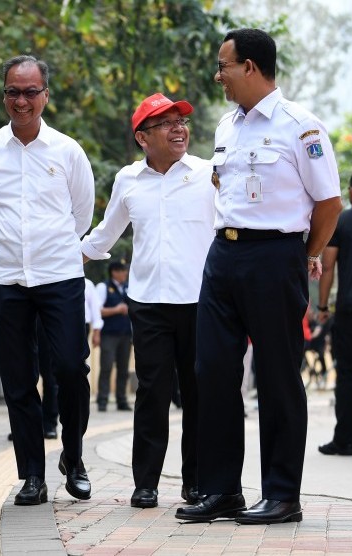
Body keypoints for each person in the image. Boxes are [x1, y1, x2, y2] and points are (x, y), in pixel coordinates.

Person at [175, 28, 342, 525]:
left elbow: (329, 203)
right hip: (223, 257)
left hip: (275, 257)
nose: (218, 75)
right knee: (213, 373)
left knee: (276, 376)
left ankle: (282, 494)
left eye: (224, 65)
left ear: (249, 67)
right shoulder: (227, 126)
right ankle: (222, 489)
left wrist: (303, 255)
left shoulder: (301, 126)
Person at [81, 92, 215, 509]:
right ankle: (146, 483)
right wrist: (63, 258)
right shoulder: (128, 180)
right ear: (143, 137)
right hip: (148, 303)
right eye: (167, 123)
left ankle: (195, 483)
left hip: (199, 301)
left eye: (181, 121)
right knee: (152, 391)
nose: (179, 129)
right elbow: (105, 234)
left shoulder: (208, 174)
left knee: (197, 393)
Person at [0, 54, 95, 506]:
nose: (22, 100)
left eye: (31, 91)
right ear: (4, 95)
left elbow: (82, 213)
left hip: (59, 275)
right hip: (7, 277)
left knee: (70, 368)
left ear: (45, 95)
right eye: (14, 91)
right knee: (18, 379)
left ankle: (75, 455)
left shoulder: (68, 151)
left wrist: (56, 247)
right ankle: (32, 474)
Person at [317, 170, 352, 456]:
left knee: (346, 375)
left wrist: (322, 307)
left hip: (351, 309)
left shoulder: (343, 221)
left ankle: (344, 440)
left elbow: (328, 266)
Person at [96, 260, 133, 412]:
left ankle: (121, 400)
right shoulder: (103, 287)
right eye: (122, 271)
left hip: (126, 334)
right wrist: (117, 310)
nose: (125, 273)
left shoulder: (128, 288)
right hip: (109, 335)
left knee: (123, 370)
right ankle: (102, 400)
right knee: (106, 367)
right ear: (114, 272)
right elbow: (97, 310)